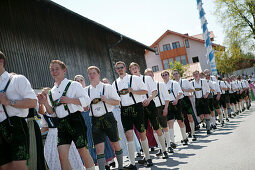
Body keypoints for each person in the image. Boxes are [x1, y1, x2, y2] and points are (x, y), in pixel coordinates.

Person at [37, 60, 95, 170]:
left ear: (64, 70)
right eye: (52, 70)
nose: (54, 71)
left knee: (83, 151)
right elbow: (52, 113)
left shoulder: (74, 85)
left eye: (56, 69)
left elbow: (86, 101)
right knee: (62, 156)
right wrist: (44, 103)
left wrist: (70, 100)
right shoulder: (51, 92)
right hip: (61, 124)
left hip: (75, 120)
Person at [0, 51, 37, 170]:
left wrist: (8, 102)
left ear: (1, 62)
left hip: (16, 126)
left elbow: (33, 102)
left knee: (19, 167)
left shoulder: (17, 79)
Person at [112, 61, 152, 169]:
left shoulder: (134, 78)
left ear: (125, 68)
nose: (120, 69)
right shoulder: (115, 83)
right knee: (128, 135)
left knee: (141, 133)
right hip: (124, 110)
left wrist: (133, 91)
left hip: (137, 107)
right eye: (118, 68)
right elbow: (114, 99)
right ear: (116, 70)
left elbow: (145, 91)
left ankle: (148, 158)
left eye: (121, 67)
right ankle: (132, 163)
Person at [84, 66, 123, 170]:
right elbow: (83, 108)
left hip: (108, 118)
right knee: (99, 148)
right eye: (90, 74)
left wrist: (106, 100)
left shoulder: (107, 87)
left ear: (98, 74)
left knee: (115, 143)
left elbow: (117, 101)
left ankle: (121, 167)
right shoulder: (86, 90)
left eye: (94, 73)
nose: (92, 76)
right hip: (95, 120)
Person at [74, 75, 116, 169]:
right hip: (82, 118)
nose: (80, 82)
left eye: (81, 80)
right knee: (88, 140)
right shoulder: (75, 94)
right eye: (77, 81)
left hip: (93, 116)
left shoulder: (89, 90)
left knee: (101, 138)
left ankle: (106, 162)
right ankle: (92, 163)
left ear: (84, 81)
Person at [129, 62, 168, 160]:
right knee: (142, 131)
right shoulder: (130, 81)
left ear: (139, 68)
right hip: (138, 106)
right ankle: (147, 156)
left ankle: (164, 150)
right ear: (130, 71)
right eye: (132, 69)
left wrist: (149, 99)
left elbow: (155, 92)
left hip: (150, 104)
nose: (134, 70)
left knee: (156, 127)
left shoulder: (147, 78)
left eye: (135, 68)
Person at [38, 87, 85, 170]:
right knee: (51, 156)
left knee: (68, 156)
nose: (46, 96)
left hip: (62, 132)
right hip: (51, 136)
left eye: (48, 94)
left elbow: (55, 115)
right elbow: (45, 127)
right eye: (44, 94)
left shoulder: (57, 105)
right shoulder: (43, 109)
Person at [144, 68, 174, 154]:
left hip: (161, 107)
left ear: (153, 75)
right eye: (147, 75)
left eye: (150, 74)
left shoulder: (159, 84)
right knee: (155, 129)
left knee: (164, 127)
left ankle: (168, 146)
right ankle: (161, 147)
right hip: (151, 109)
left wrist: (166, 108)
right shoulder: (145, 86)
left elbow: (167, 98)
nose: (149, 76)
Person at [161, 70, 188, 146]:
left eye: (166, 74)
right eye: (163, 75)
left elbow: (180, 92)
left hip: (176, 103)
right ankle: (172, 141)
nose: (164, 76)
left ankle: (184, 138)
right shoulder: (162, 85)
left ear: (169, 75)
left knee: (180, 121)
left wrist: (176, 99)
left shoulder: (174, 83)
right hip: (168, 104)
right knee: (170, 122)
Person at [173, 69, 197, 141]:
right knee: (181, 118)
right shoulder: (173, 83)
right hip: (178, 101)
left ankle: (193, 133)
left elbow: (192, 89)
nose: (175, 75)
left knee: (190, 116)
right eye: (174, 74)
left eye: (176, 73)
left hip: (185, 99)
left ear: (179, 74)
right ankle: (185, 135)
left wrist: (185, 90)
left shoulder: (185, 81)